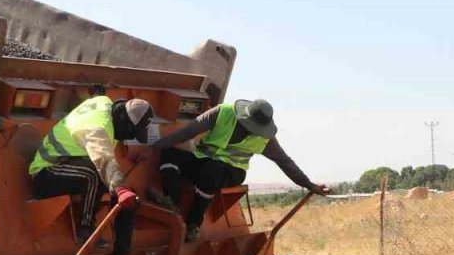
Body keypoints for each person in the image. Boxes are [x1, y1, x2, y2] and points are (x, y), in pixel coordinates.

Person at [135, 99, 331, 241]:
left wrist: (309, 185)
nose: (251, 130)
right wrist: (153, 148)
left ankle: (193, 224)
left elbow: (285, 162)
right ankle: (173, 202)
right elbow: (187, 133)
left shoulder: (265, 138)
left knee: (213, 171)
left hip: (231, 172)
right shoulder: (222, 113)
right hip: (203, 161)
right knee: (169, 154)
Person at [29, 94, 154, 255]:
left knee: (122, 197)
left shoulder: (105, 102)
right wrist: (121, 188)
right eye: (130, 132)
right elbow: (103, 158)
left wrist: (123, 193)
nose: (128, 138)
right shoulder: (99, 127)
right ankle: (85, 229)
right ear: (122, 121)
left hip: (72, 164)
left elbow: (97, 98)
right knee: (95, 173)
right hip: (47, 172)